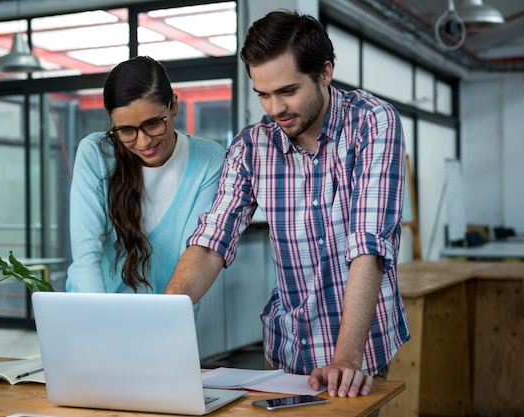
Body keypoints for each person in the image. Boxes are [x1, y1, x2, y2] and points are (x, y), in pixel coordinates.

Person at [165, 10, 410, 400]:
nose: (274, 108)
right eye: (263, 94)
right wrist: (161, 320)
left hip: (362, 347)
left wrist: (346, 358)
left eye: (287, 91)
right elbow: (211, 241)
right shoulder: (250, 146)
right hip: (288, 347)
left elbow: (369, 244)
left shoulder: (372, 123)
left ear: (325, 72)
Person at [66, 56, 225, 296]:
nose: (144, 142)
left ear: (174, 106)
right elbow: (86, 256)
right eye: (126, 130)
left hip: (168, 313)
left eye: (153, 124)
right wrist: (98, 320)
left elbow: (196, 252)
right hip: (95, 310)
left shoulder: (209, 159)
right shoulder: (95, 153)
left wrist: (165, 318)